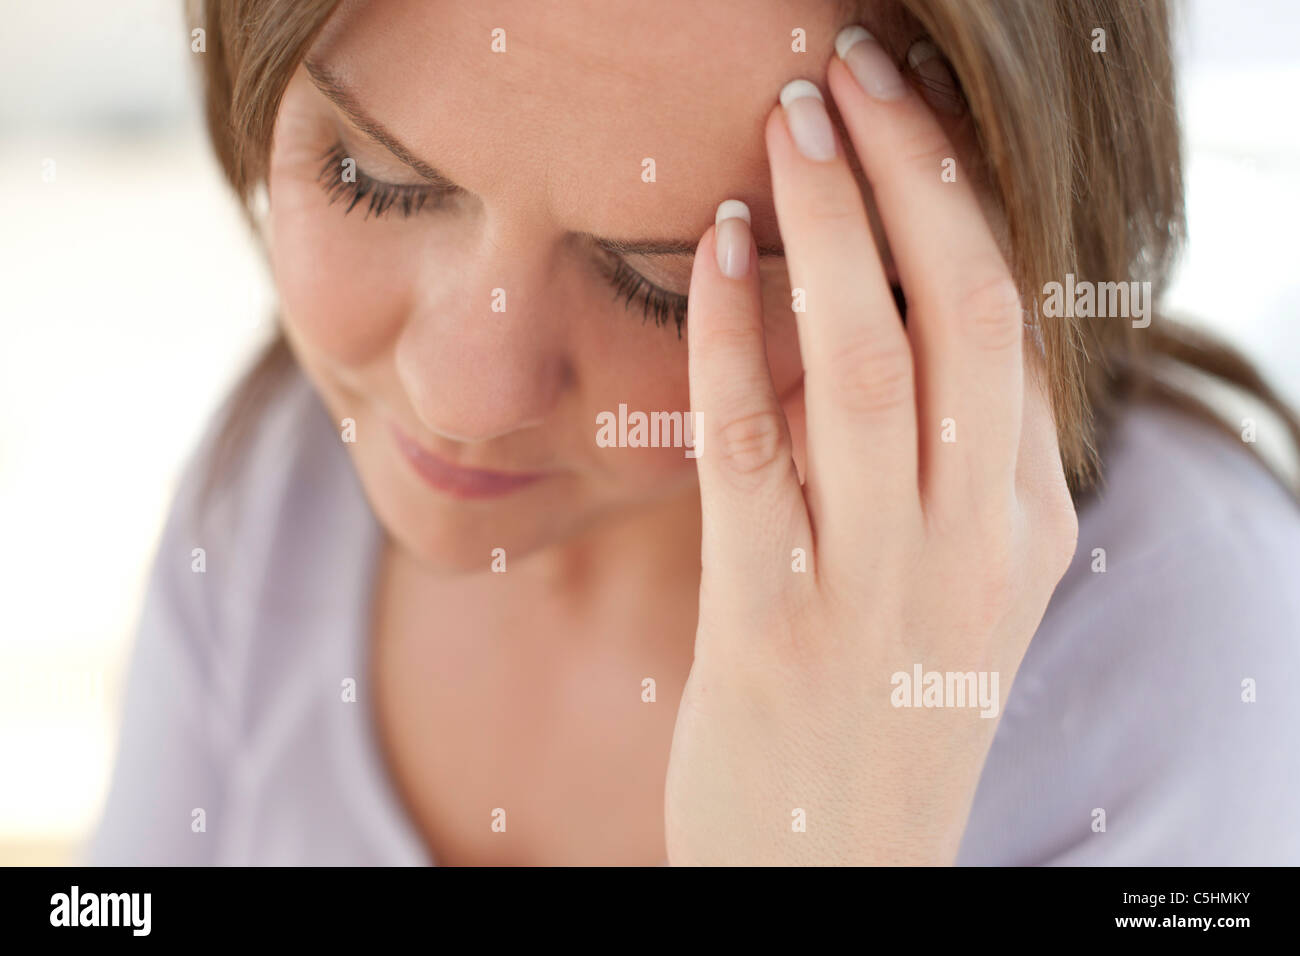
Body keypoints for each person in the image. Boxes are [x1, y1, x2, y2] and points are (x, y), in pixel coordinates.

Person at [87, 0, 1300, 865]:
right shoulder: (280, 488)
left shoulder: (1194, 660)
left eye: (659, 282)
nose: (460, 391)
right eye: (372, 181)